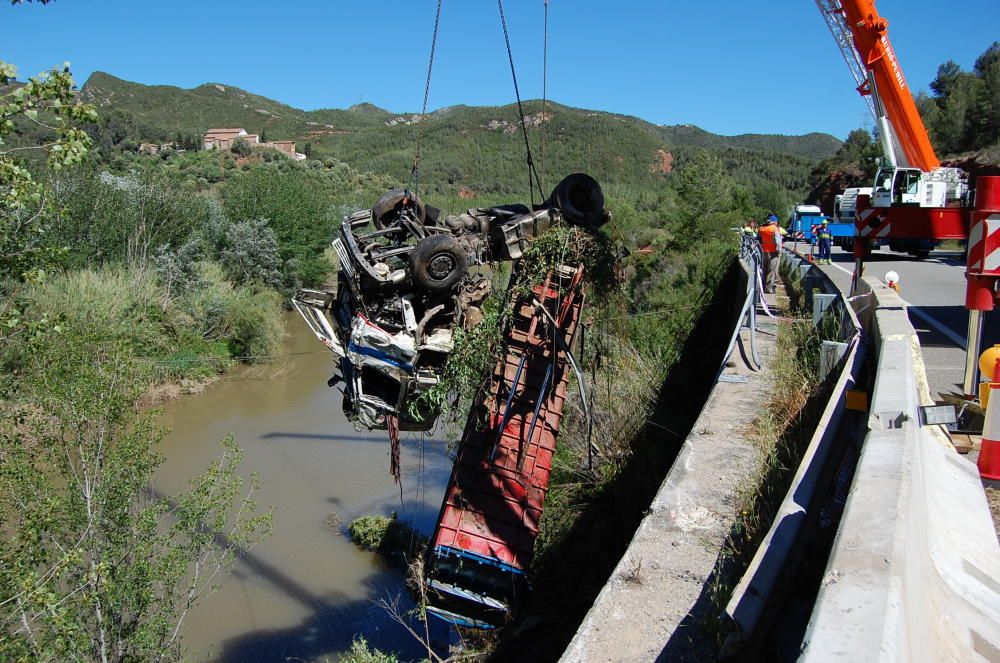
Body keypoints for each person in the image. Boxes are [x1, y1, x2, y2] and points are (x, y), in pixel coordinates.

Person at [758, 214, 782, 294]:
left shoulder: (763, 229)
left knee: (764, 270)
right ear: (774, 222)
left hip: (764, 251)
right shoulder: (775, 229)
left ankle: (762, 286)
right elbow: (778, 242)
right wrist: (778, 251)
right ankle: (768, 289)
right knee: (771, 271)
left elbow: (759, 239)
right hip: (773, 253)